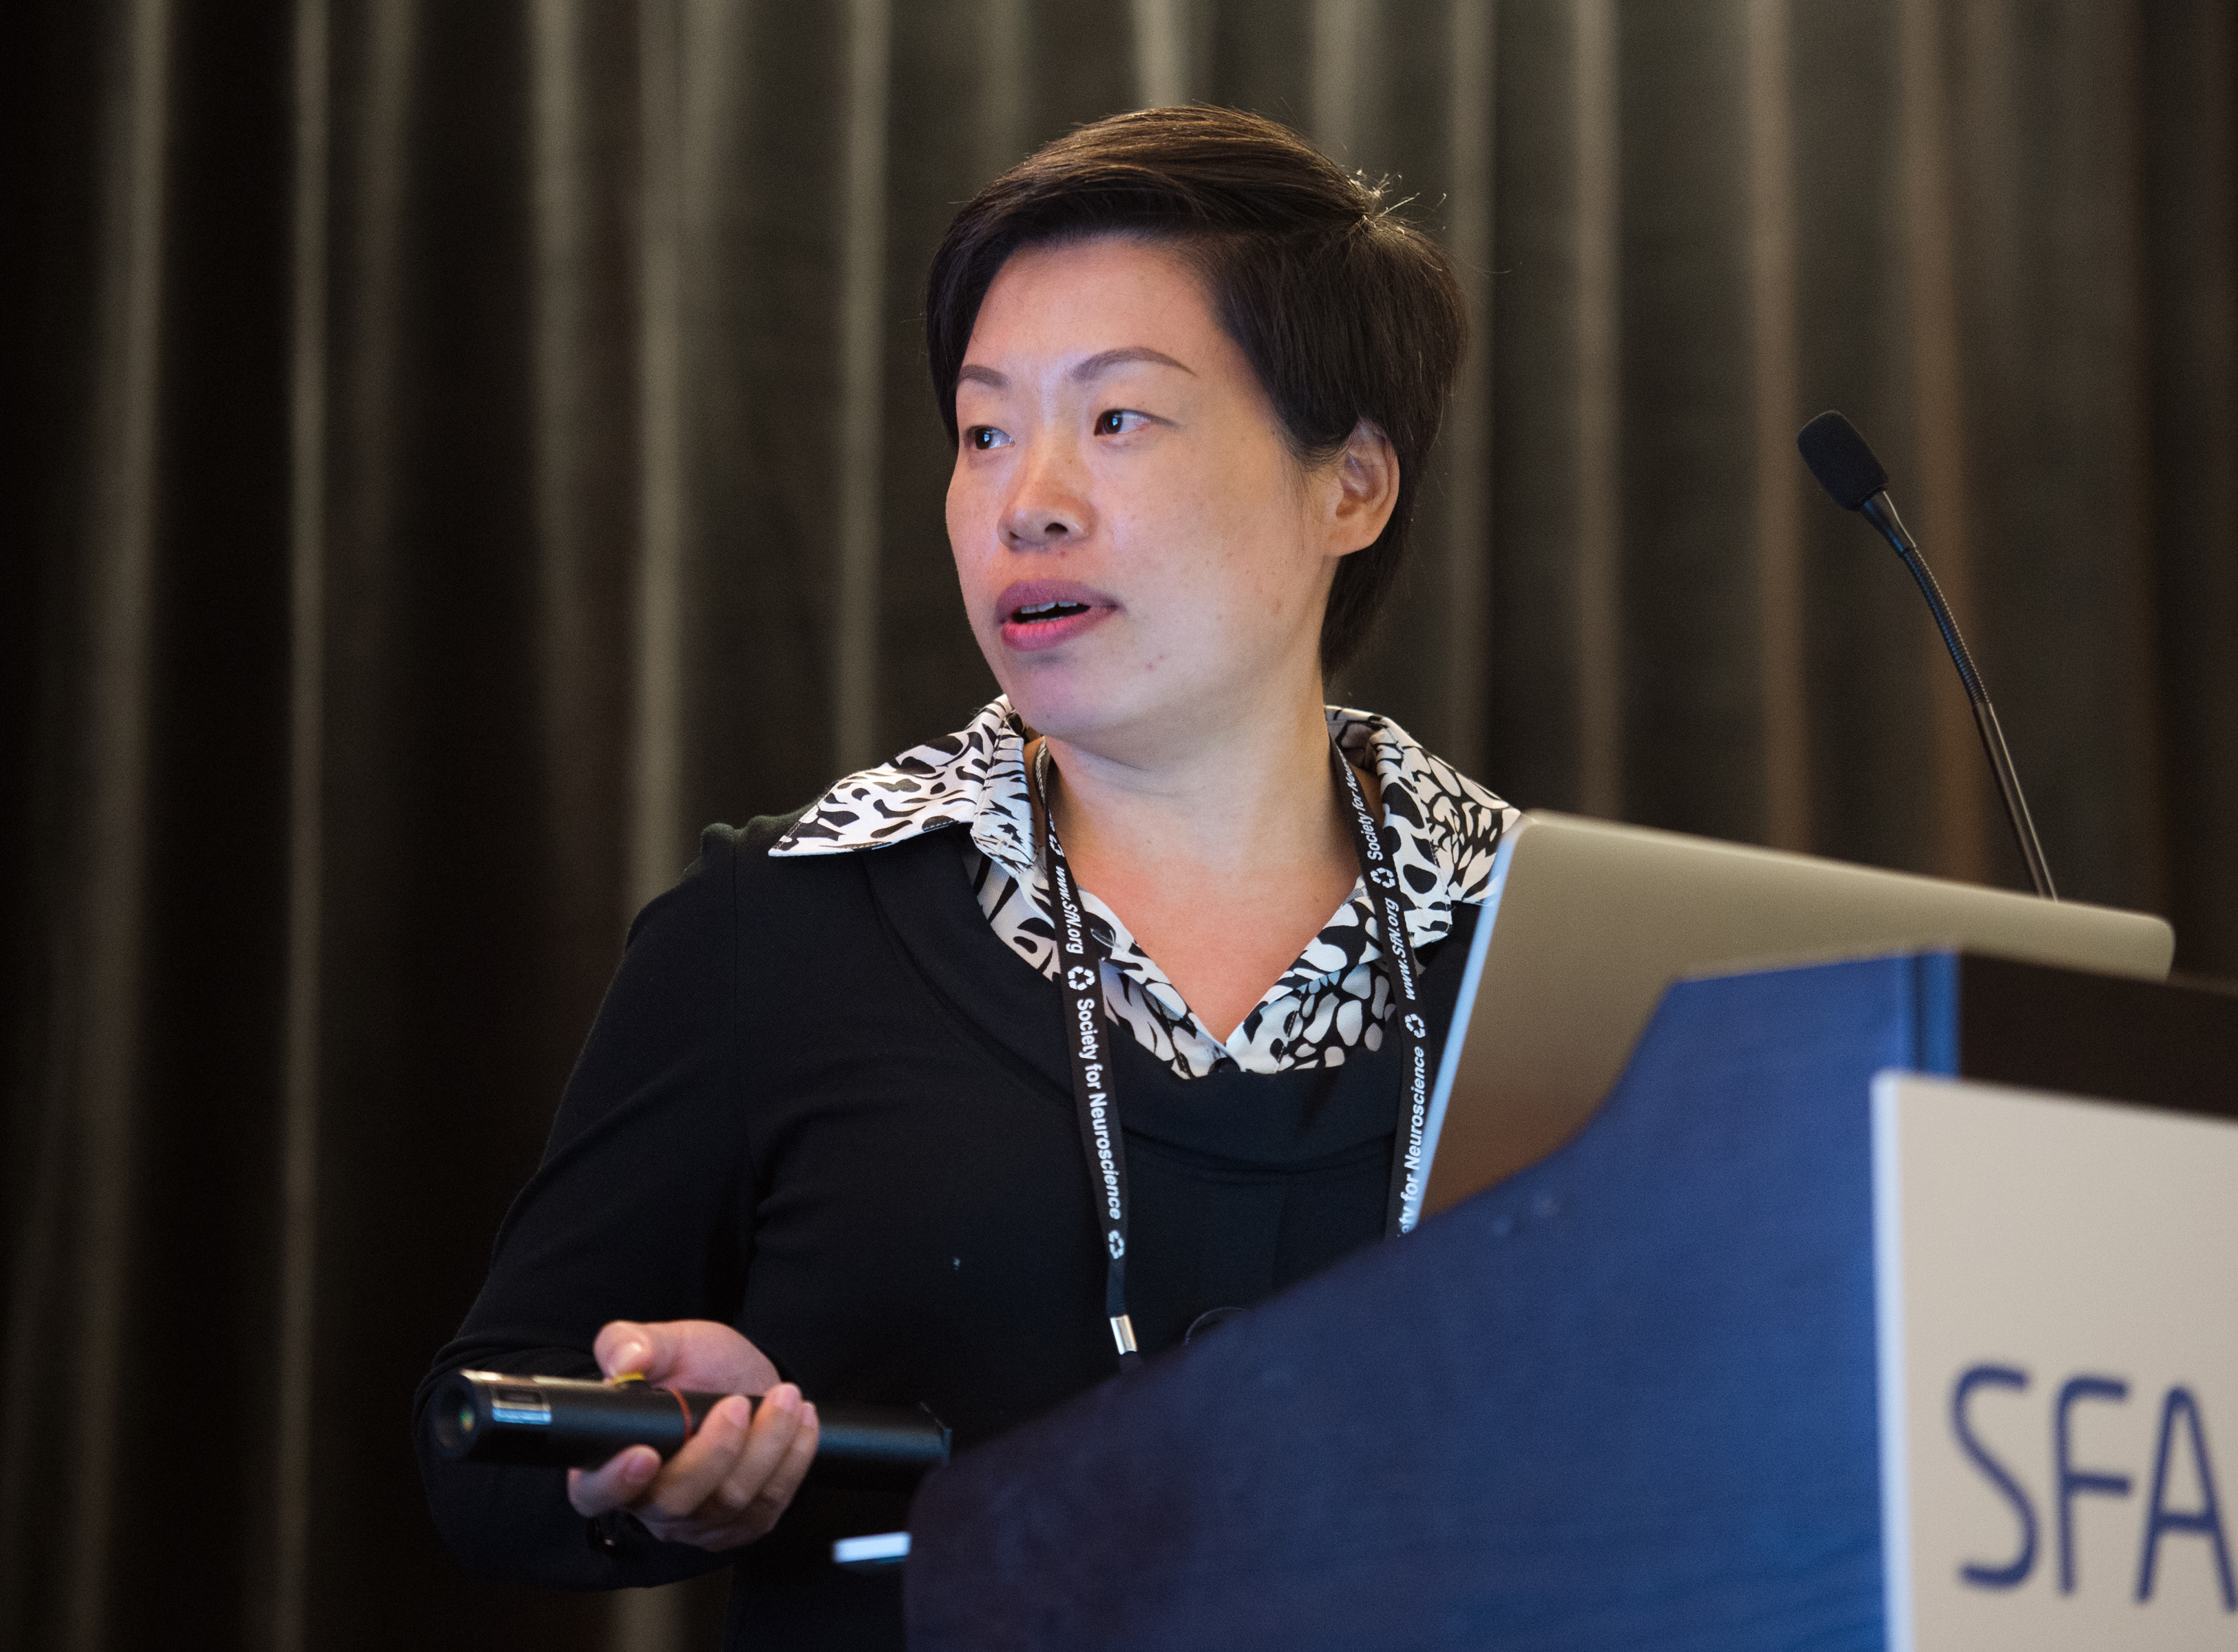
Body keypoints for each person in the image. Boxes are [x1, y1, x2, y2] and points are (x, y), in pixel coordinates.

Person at [418, 104, 1516, 1647]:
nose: (1027, 499)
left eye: (1118, 421)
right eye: (986, 429)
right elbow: (487, 1452)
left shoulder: (1534, 937)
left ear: (1352, 485)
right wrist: (650, 1456)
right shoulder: (786, 926)